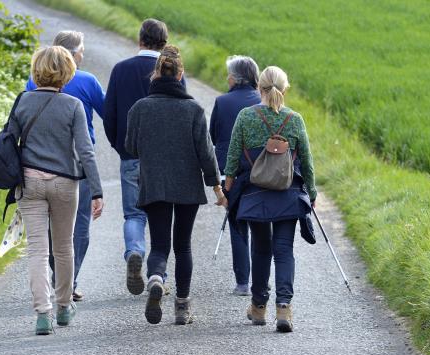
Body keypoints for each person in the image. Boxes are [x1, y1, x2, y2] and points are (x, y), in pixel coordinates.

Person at [125, 45, 224, 325]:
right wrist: (216, 186)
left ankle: (156, 277)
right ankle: (182, 307)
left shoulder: (140, 108)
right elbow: (206, 152)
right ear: (180, 74)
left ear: (156, 73)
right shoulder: (193, 109)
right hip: (187, 187)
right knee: (183, 247)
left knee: (159, 246)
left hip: (154, 184)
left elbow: (130, 147)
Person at [10, 46, 104, 335]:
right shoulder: (73, 105)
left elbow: (9, 141)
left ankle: (42, 314)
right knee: (64, 247)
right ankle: (64, 307)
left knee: (37, 250)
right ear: (67, 71)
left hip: (30, 182)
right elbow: (85, 151)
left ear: (36, 69)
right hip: (65, 183)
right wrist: (97, 190)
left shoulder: (22, 101)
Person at [224, 66, 316, 333]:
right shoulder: (295, 120)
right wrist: (311, 193)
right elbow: (307, 163)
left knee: (261, 249)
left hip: (256, 196)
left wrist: (228, 190)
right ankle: (284, 307)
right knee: (284, 250)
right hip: (288, 196)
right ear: (285, 89)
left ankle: (259, 307)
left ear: (258, 88)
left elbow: (232, 160)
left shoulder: (245, 117)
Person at [104, 19, 185, 295]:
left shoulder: (120, 70)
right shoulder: (172, 70)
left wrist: (121, 148)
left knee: (134, 214)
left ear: (140, 39)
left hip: (132, 156)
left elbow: (110, 115)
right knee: (162, 219)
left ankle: (134, 252)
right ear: (165, 41)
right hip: (165, 160)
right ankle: (156, 271)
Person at [26, 31, 105, 302]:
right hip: (72, 170)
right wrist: (97, 190)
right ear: (72, 56)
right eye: (81, 49)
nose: (83, 54)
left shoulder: (27, 88)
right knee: (74, 232)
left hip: (33, 170)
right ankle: (66, 290)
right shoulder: (84, 87)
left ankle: (46, 300)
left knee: (40, 241)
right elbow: (93, 138)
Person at [209, 55, 261, 296]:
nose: (227, 78)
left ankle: (242, 283)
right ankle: (262, 280)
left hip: (231, 174)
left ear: (235, 78)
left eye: (228, 74)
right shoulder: (263, 100)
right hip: (263, 173)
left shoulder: (222, 102)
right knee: (262, 227)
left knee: (238, 226)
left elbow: (213, 136)